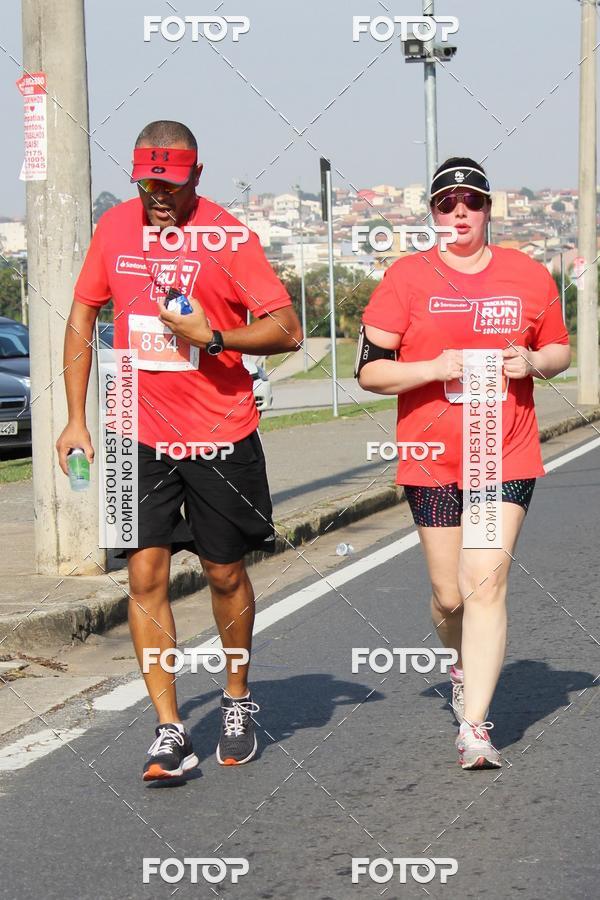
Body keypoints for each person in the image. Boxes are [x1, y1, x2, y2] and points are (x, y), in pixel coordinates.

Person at [56, 120, 302, 781]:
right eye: (146, 182)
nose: (157, 196)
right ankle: (168, 729)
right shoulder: (115, 231)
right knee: (144, 577)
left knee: (224, 574)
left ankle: (237, 697)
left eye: (169, 183)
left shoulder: (228, 238)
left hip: (221, 432)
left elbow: (288, 329)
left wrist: (213, 335)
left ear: (196, 176)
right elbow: (82, 315)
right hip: (136, 427)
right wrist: (74, 420)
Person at [357, 157, 570, 769]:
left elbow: (557, 348)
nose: (459, 213)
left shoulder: (526, 274)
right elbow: (370, 370)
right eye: (447, 203)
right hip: (431, 456)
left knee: (486, 581)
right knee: (449, 596)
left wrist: (533, 364)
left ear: (487, 211)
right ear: (432, 213)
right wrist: (434, 366)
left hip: (504, 450)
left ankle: (475, 726)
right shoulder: (405, 278)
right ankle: (460, 663)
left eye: (471, 203)